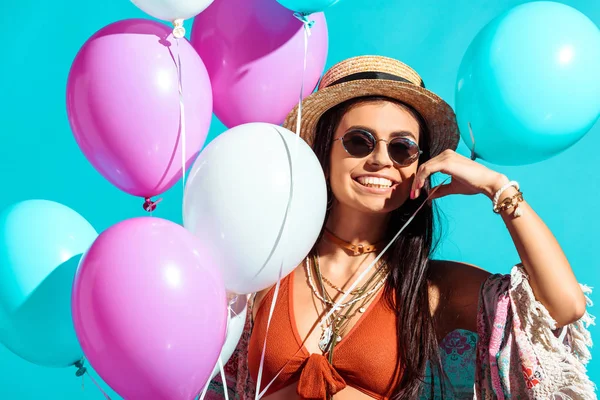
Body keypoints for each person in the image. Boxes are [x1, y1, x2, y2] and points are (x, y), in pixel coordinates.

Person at [206, 55, 595, 400]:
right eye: (359, 141)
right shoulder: (266, 265)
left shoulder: (430, 289)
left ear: (419, 164)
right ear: (323, 151)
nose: (381, 160)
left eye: (402, 148)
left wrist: (499, 189)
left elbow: (563, 307)